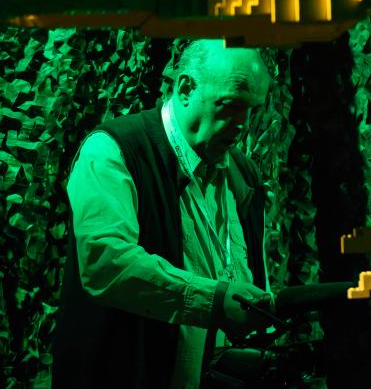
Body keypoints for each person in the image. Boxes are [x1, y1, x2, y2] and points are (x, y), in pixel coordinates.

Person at [52, 39, 276, 389]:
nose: (243, 124)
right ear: (185, 89)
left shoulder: (243, 174)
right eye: (231, 105)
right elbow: (106, 262)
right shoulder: (113, 150)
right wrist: (215, 301)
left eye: (252, 110)